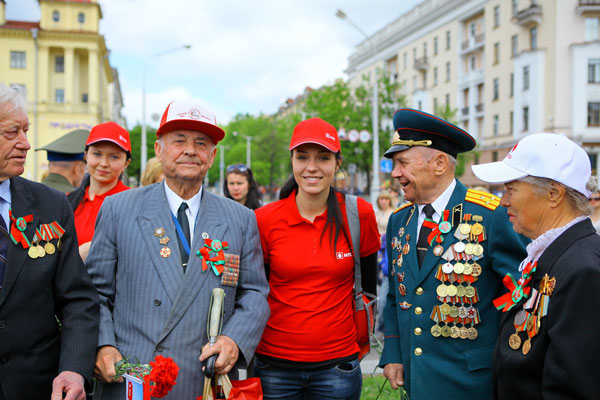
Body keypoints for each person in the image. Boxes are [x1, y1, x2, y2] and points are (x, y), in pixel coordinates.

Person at [86, 100, 269, 400]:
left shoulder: (240, 219)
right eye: (179, 140)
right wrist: (103, 345)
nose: (190, 150)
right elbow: (95, 292)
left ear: (212, 156)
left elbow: (254, 293)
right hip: (133, 378)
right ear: (159, 150)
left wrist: (233, 339)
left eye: (201, 142)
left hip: (205, 380)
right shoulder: (119, 209)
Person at [379, 108, 527, 400]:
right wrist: (394, 352)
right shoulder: (399, 220)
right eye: (395, 164)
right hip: (416, 378)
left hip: (471, 382)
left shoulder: (490, 215)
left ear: (439, 163)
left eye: (403, 163)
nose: (395, 173)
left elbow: (519, 297)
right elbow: (397, 296)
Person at [253, 117, 380, 400]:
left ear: (337, 163)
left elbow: (369, 287)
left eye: (323, 157)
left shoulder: (359, 214)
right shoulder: (264, 219)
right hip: (274, 367)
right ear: (292, 162)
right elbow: (255, 291)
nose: (312, 167)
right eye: (302, 157)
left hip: (337, 367)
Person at [471, 133, 600, 399]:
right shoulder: (555, 255)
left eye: (511, 189)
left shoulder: (582, 270)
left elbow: (573, 387)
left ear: (553, 194)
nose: (503, 200)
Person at [0, 84, 99, 399]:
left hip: (38, 387)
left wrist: (73, 368)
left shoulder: (52, 205)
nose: (26, 144)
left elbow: (78, 300)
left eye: (26, 130)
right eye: (11, 132)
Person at [67, 122, 131, 262]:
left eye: (114, 157)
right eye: (97, 154)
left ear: (126, 163)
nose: (103, 163)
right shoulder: (66, 201)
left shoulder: (134, 204)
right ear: (85, 156)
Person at [36, 128, 88, 193]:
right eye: (85, 167)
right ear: (77, 169)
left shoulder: (29, 192)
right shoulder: (77, 199)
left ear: (49, 166)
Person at [375, 190, 394, 335]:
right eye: (381, 198)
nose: (383, 201)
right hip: (380, 253)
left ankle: (383, 327)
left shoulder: (393, 214)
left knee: (385, 298)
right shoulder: (378, 213)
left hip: (388, 255)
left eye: (385, 199)